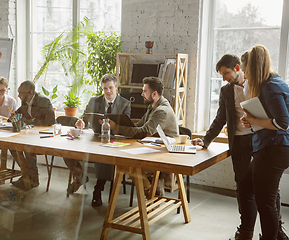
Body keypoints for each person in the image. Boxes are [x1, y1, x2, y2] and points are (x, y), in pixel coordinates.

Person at [191, 53, 258, 240]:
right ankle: (245, 231)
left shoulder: (256, 84)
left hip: (260, 141)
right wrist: (205, 140)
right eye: (221, 74)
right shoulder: (226, 91)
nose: (224, 78)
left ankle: (276, 230)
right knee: (243, 188)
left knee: (268, 187)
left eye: (226, 72)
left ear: (238, 68)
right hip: (239, 143)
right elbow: (220, 118)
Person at [240, 45, 289, 240]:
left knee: (265, 201)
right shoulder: (272, 83)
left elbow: (283, 123)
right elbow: (272, 118)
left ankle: (272, 236)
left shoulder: (271, 86)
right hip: (270, 148)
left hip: (274, 150)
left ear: (252, 68)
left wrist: (252, 120)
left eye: (245, 71)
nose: (245, 77)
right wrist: (252, 119)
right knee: (246, 188)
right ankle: (265, 234)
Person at [64, 73, 131, 207]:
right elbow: (84, 118)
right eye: (105, 88)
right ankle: (81, 176)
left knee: (104, 157)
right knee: (67, 152)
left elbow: (126, 126)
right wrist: (81, 122)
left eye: (111, 88)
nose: (108, 92)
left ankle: (97, 190)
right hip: (94, 138)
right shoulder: (94, 101)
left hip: (114, 140)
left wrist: (113, 126)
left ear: (116, 87)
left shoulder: (125, 103)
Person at [110, 76, 179, 197]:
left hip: (166, 156)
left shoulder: (161, 110)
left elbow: (143, 132)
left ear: (154, 93)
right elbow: (138, 126)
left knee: (128, 164)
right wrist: (121, 124)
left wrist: (116, 127)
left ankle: (150, 194)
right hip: (154, 149)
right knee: (126, 162)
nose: (142, 94)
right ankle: (152, 193)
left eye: (144, 91)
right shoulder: (153, 107)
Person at [10, 80, 55, 190]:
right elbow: (19, 114)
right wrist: (13, 117)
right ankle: (27, 175)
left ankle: (30, 177)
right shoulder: (25, 101)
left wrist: (29, 121)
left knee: (27, 147)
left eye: (21, 93)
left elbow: (50, 121)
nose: (18, 95)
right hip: (30, 136)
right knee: (11, 146)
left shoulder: (43, 101)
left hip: (44, 136)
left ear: (30, 93)